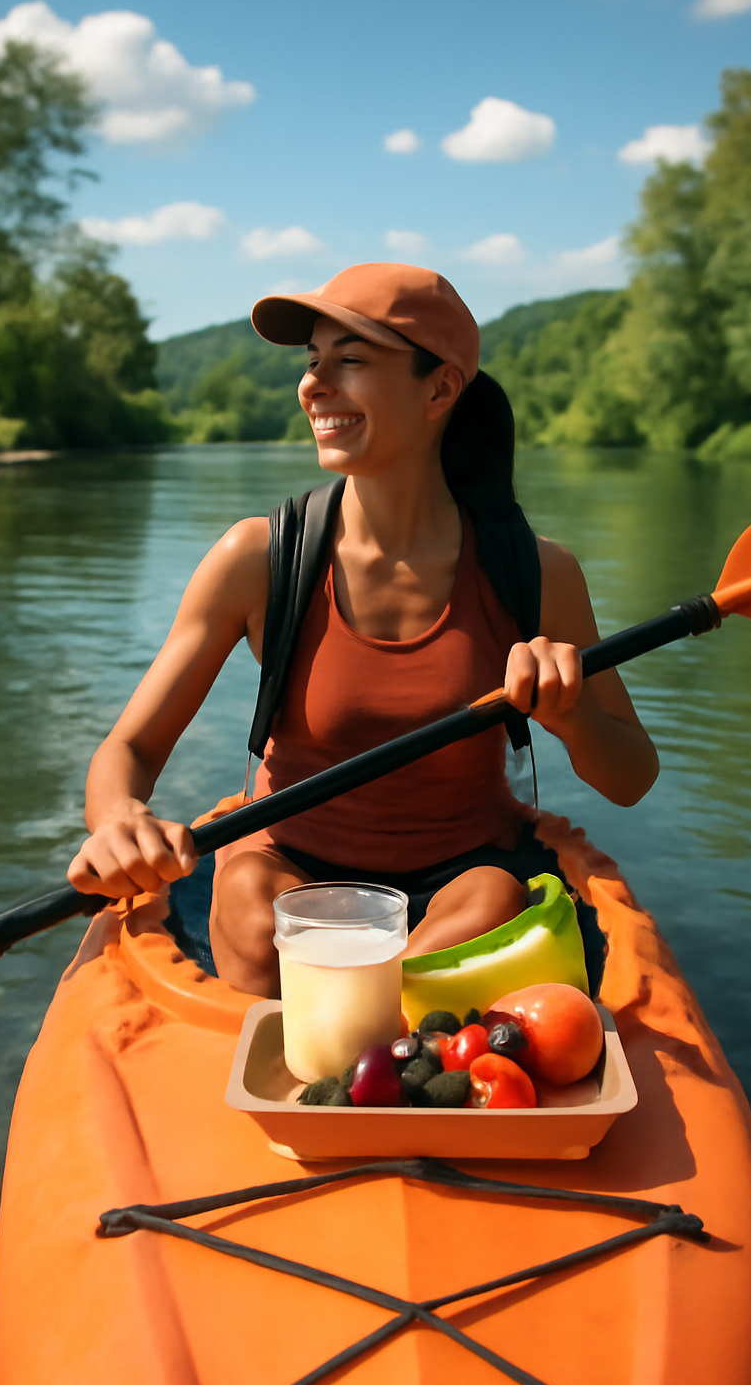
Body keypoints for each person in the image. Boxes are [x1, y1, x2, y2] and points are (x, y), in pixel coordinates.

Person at [68, 265, 658, 995]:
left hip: (463, 877)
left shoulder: (536, 572)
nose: (314, 384)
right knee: (257, 932)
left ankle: (378, 1021)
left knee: (491, 906)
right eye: (313, 361)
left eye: (350, 361)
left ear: (439, 389)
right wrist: (119, 817)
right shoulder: (256, 558)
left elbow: (631, 776)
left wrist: (572, 717)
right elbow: (129, 747)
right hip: (287, 861)